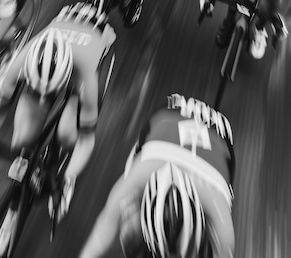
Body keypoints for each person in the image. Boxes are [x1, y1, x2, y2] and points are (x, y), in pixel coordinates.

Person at [0, 3, 117, 257]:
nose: (46, 101)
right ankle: (14, 208)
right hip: (56, 54)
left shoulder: (86, 76)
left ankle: (58, 168)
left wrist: (68, 178)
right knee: (20, 142)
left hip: (86, 55)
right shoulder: (22, 59)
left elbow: (87, 141)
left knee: (68, 135)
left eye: (50, 95)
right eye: (37, 92)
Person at [79, 92, 235, 258]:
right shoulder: (138, 177)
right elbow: (103, 230)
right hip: (168, 125)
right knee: (129, 231)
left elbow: (102, 233)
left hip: (199, 134)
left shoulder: (221, 223)